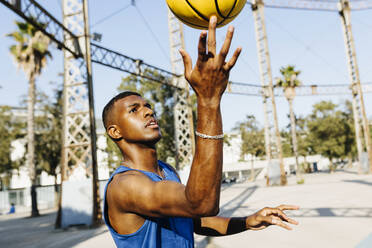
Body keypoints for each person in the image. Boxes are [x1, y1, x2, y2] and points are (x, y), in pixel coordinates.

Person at [102, 16, 299, 248]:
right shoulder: (124, 185)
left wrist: (246, 221)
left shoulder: (166, 170)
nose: (147, 112)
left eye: (148, 106)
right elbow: (200, 204)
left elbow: (195, 219)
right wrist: (208, 99)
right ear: (115, 132)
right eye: (134, 110)